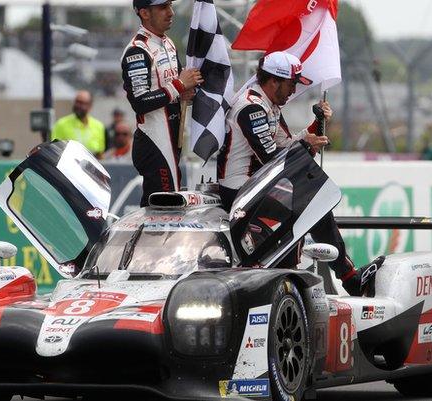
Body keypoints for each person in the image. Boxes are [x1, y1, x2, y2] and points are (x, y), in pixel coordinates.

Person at [217, 51, 384, 296]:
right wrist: (307, 146)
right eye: (291, 84)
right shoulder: (250, 108)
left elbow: (287, 145)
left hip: (257, 187)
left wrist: (315, 126)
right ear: (274, 81)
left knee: (313, 201)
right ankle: (330, 278)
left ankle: (347, 277)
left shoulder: (269, 105)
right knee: (306, 201)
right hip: (239, 193)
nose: (294, 90)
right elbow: (273, 161)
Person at [122, 0, 203, 206]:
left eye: (170, 6)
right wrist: (178, 85)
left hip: (172, 139)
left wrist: (185, 92)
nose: (171, 12)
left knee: (166, 205)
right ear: (144, 13)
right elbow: (140, 102)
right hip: (154, 142)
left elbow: (175, 89)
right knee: (163, 209)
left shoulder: (168, 43)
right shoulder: (137, 51)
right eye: (163, 7)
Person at [51, 90, 106, 157]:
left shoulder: (99, 126)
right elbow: (55, 151)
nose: (78, 105)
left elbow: (100, 154)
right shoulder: (61, 124)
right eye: (77, 102)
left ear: (90, 106)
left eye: (82, 103)